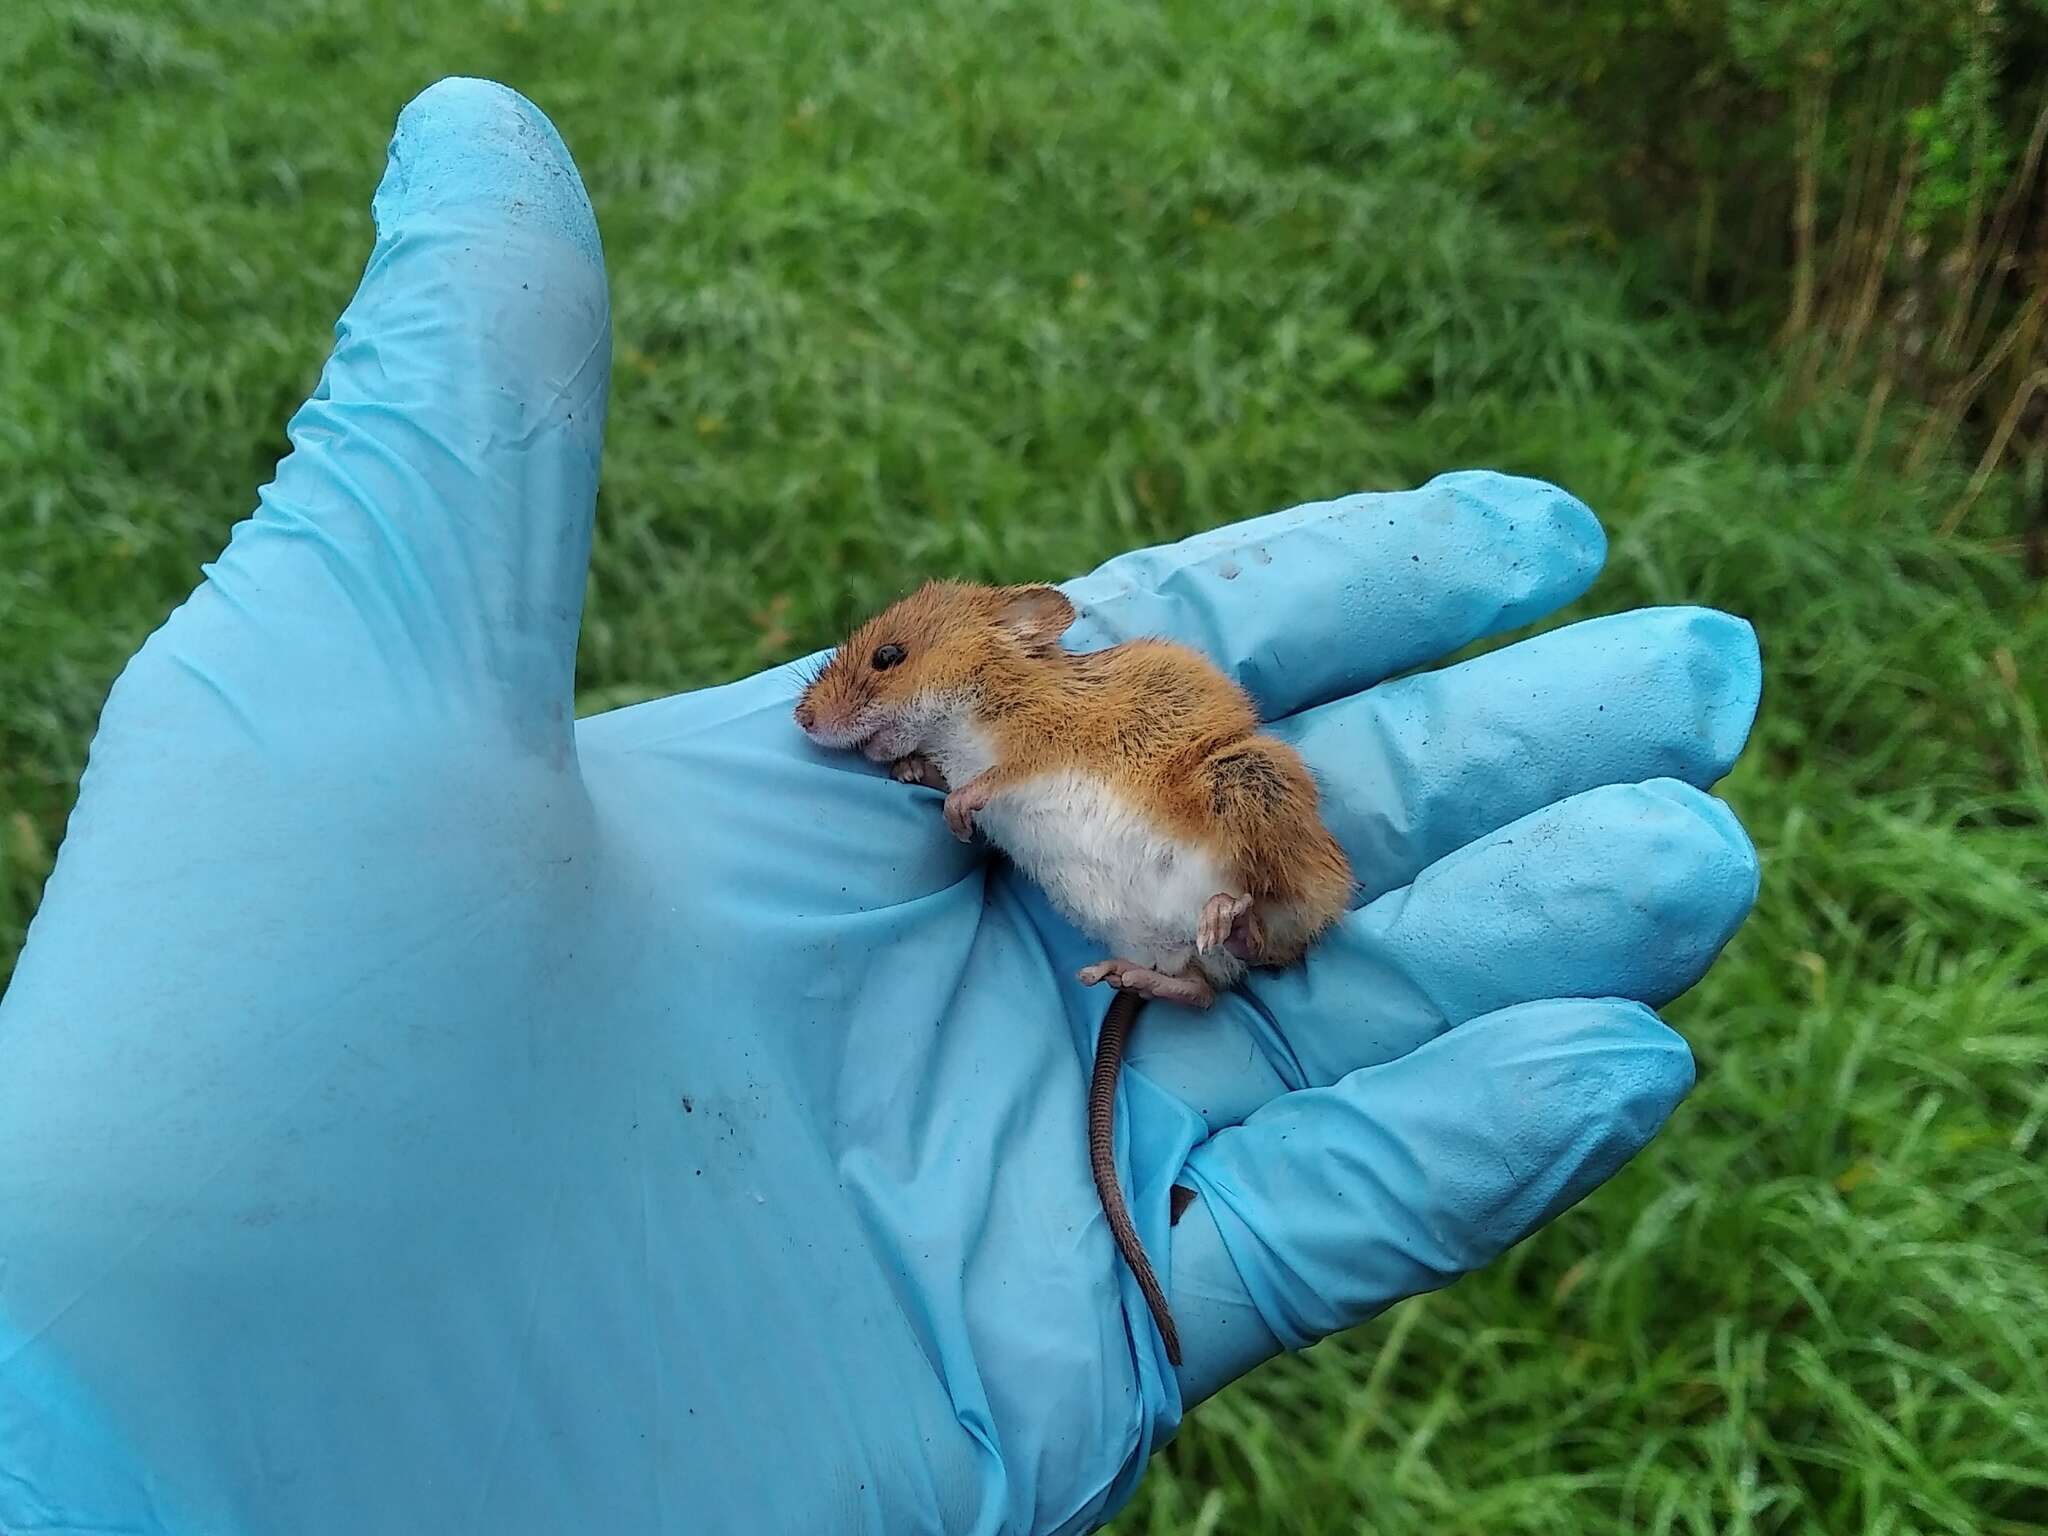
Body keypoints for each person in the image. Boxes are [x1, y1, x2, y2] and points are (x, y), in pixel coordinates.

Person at [0, 79, 1762, 1535]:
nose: (841, 692)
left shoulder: (1041, 690)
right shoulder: (975, 745)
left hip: (1181, 870)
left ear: (995, 643)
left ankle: (1212, 954)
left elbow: (1029, 775)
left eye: (876, 662)